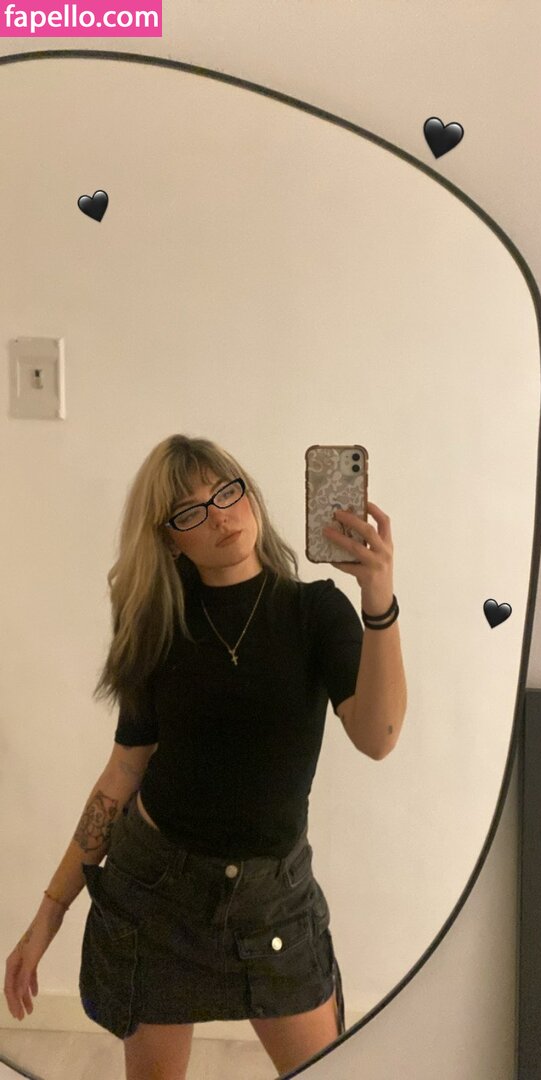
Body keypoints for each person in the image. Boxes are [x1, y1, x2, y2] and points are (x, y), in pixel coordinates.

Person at [4, 434, 406, 1080]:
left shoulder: (314, 612)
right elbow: (123, 773)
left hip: (275, 900)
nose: (220, 516)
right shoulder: (157, 627)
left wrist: (379, 600)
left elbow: (378, 737)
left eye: (226, 491)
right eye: (192, 511)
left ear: (249, 493)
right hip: (159, 895)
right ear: (170, 540)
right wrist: (47, 917)